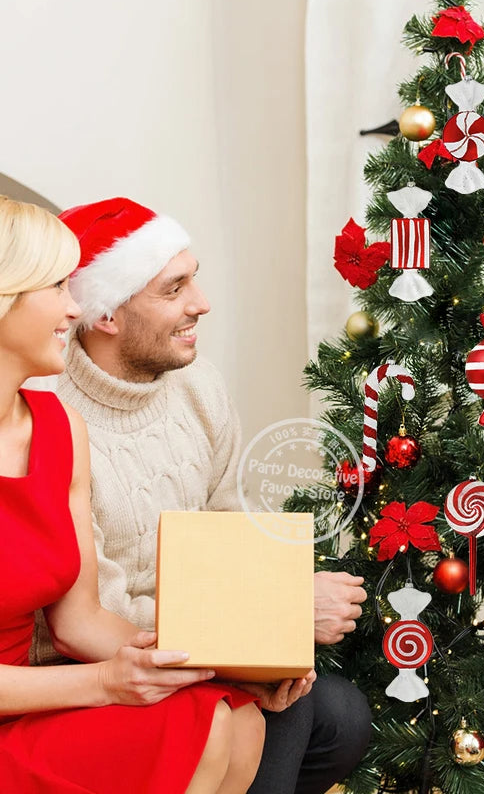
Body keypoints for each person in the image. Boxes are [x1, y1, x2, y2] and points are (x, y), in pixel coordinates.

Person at [31, 196, 372, 794]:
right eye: (174, 289)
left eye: (195, 278)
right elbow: (93, 620)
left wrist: (264, 639)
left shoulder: (197, 385)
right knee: (281, 718)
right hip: (99, 662)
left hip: (197, 635)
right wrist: (273, 617)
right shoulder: (54, 419)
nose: (201, 303)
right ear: (106, 314)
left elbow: (234, 534)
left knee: (341, 718)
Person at [0, 195, 265, 792]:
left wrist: (228, 662)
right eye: (56, 287)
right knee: (202, 727)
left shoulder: (56, 426)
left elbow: (82, 619)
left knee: (235, 716)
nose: (76, 308)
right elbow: (80, 654)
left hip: (39, 695)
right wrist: (104, 683)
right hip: (30, 691)